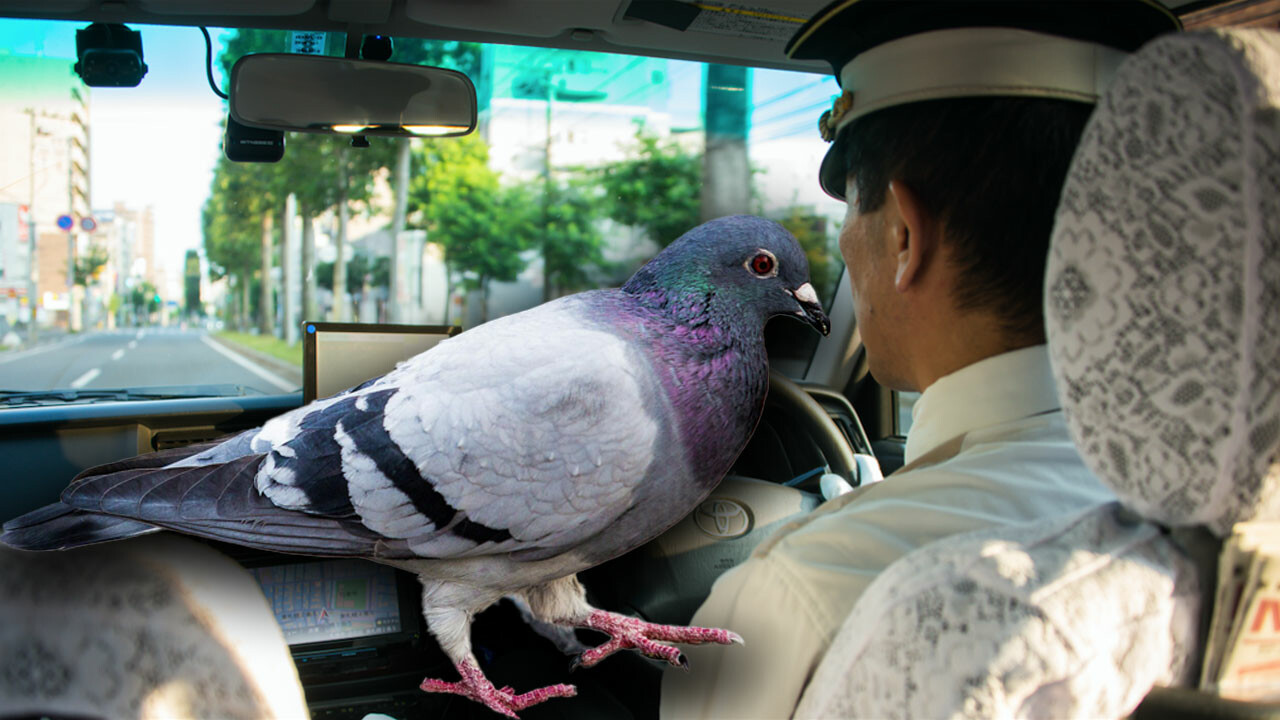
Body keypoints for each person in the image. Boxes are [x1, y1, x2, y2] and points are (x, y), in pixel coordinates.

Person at [660, 2, 1182, 718]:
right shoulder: (1216, 518)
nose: (843, 247)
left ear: (904, 233)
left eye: (850, 213)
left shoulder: (803, 587)